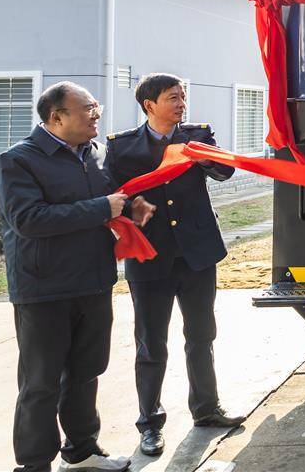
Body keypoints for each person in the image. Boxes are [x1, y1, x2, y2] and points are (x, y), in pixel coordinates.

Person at [0, 82, 155, 472]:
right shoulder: (18, 160)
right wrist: (102, 208)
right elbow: (28, 220)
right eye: (88, 107)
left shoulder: (96, 153)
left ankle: (82, 451)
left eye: (95, 105)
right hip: (44, 289)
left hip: (93, 282)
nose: (96, 113)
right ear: (57, 117)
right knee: (41, 383)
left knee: (87, 373)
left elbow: (108, 199)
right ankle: (34, 464)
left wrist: (129, 208)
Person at [105, 74, 245, 458]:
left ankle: (207, 408)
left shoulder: (198, 136)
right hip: (150, 258)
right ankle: (149, 423)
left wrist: (205, 158)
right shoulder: (122, 147)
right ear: (149, 105)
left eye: (183, 96)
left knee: (201, 335)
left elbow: (226, 171)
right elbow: (111, 194)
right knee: (151, 344)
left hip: (197, 255)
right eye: (173, 98)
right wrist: (131, 211)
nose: (182, 103)